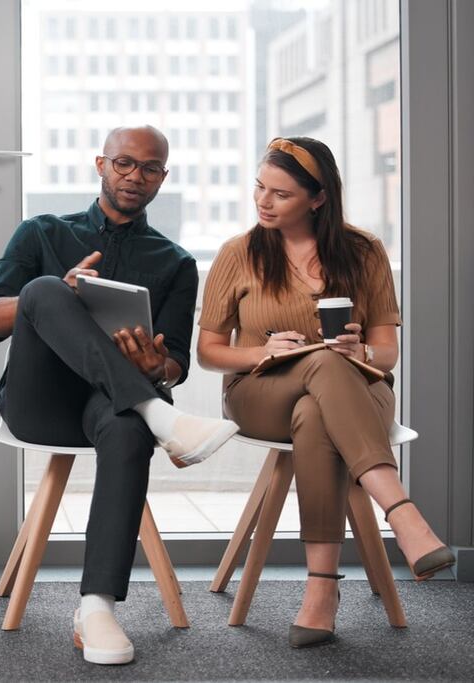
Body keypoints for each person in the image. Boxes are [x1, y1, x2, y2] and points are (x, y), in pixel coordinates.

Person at [0, 126, 239, 665]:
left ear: (163, 177)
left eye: (150, 169)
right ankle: (157, 414)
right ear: (101, 164)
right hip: (39, 403)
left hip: (105, 408)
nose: (135, 177)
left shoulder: (176, 262)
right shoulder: (42, 232)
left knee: (126, 427)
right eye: (123, 164)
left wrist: (152, 365)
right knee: (44, 289)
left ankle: (96, 607)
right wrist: (51, 295)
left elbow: (176, 363)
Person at [197, 136, 455, 648]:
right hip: (260, 390)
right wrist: (261, 352)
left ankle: (321, 591)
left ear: (318, 199)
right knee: (318, 364)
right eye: (259, 188)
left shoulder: (363, 251)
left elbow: (387, 353)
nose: (263, 202)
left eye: (281, 194)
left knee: (318, 408)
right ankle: (403, 513)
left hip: (356, 389)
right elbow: (208, 352)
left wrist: (363, 355)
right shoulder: (239, 253)